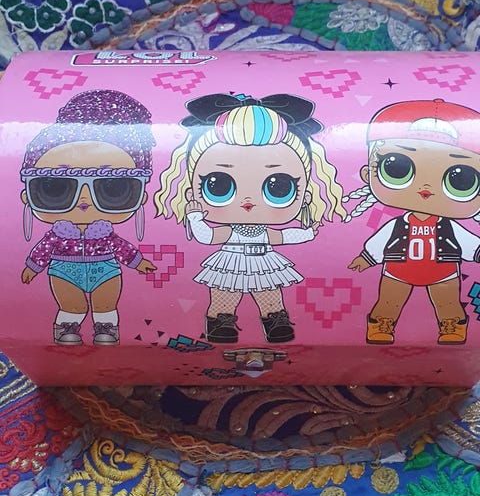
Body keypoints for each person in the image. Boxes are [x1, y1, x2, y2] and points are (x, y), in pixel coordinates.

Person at [154, 93, 346, 343]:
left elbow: (284, 236)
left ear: (305, 195)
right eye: (218, 185)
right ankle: (220, 322)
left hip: (263, 261)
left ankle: (274, 320)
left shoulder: (264, 232)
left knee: (269, 293)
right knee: (225, 293)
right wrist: (195, 218)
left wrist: (308, 232)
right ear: (191, 192)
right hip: (230, 261)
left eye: (279, 187)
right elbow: (208, 237)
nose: (247, 201)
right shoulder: (230, 231)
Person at [21, 89, 157, 346]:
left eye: (112, 189)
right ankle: (67, 327)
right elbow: (43, 250)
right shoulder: (57, 234)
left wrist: (138, 262)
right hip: (64, 269)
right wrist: (33, 267)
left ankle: (106, 328)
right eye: (56, 188)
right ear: (27, 196)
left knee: (106, 303)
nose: (84, 201)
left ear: (141, 197)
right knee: (70, 304)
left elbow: (122, 247)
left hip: (105, 268)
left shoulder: (105, 233)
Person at [346, 99, 480, 345]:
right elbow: (380, 242)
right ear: (368, 173)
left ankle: (451, 326)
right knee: (389, 301)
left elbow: (468, 242)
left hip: (443, 272)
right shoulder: (397, 225)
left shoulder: (449, 226)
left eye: (461, 180)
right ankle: (381, 325)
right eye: (397, 169)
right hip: (398, 270)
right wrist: (366, 259)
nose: (426, 188)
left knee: (448, 303)